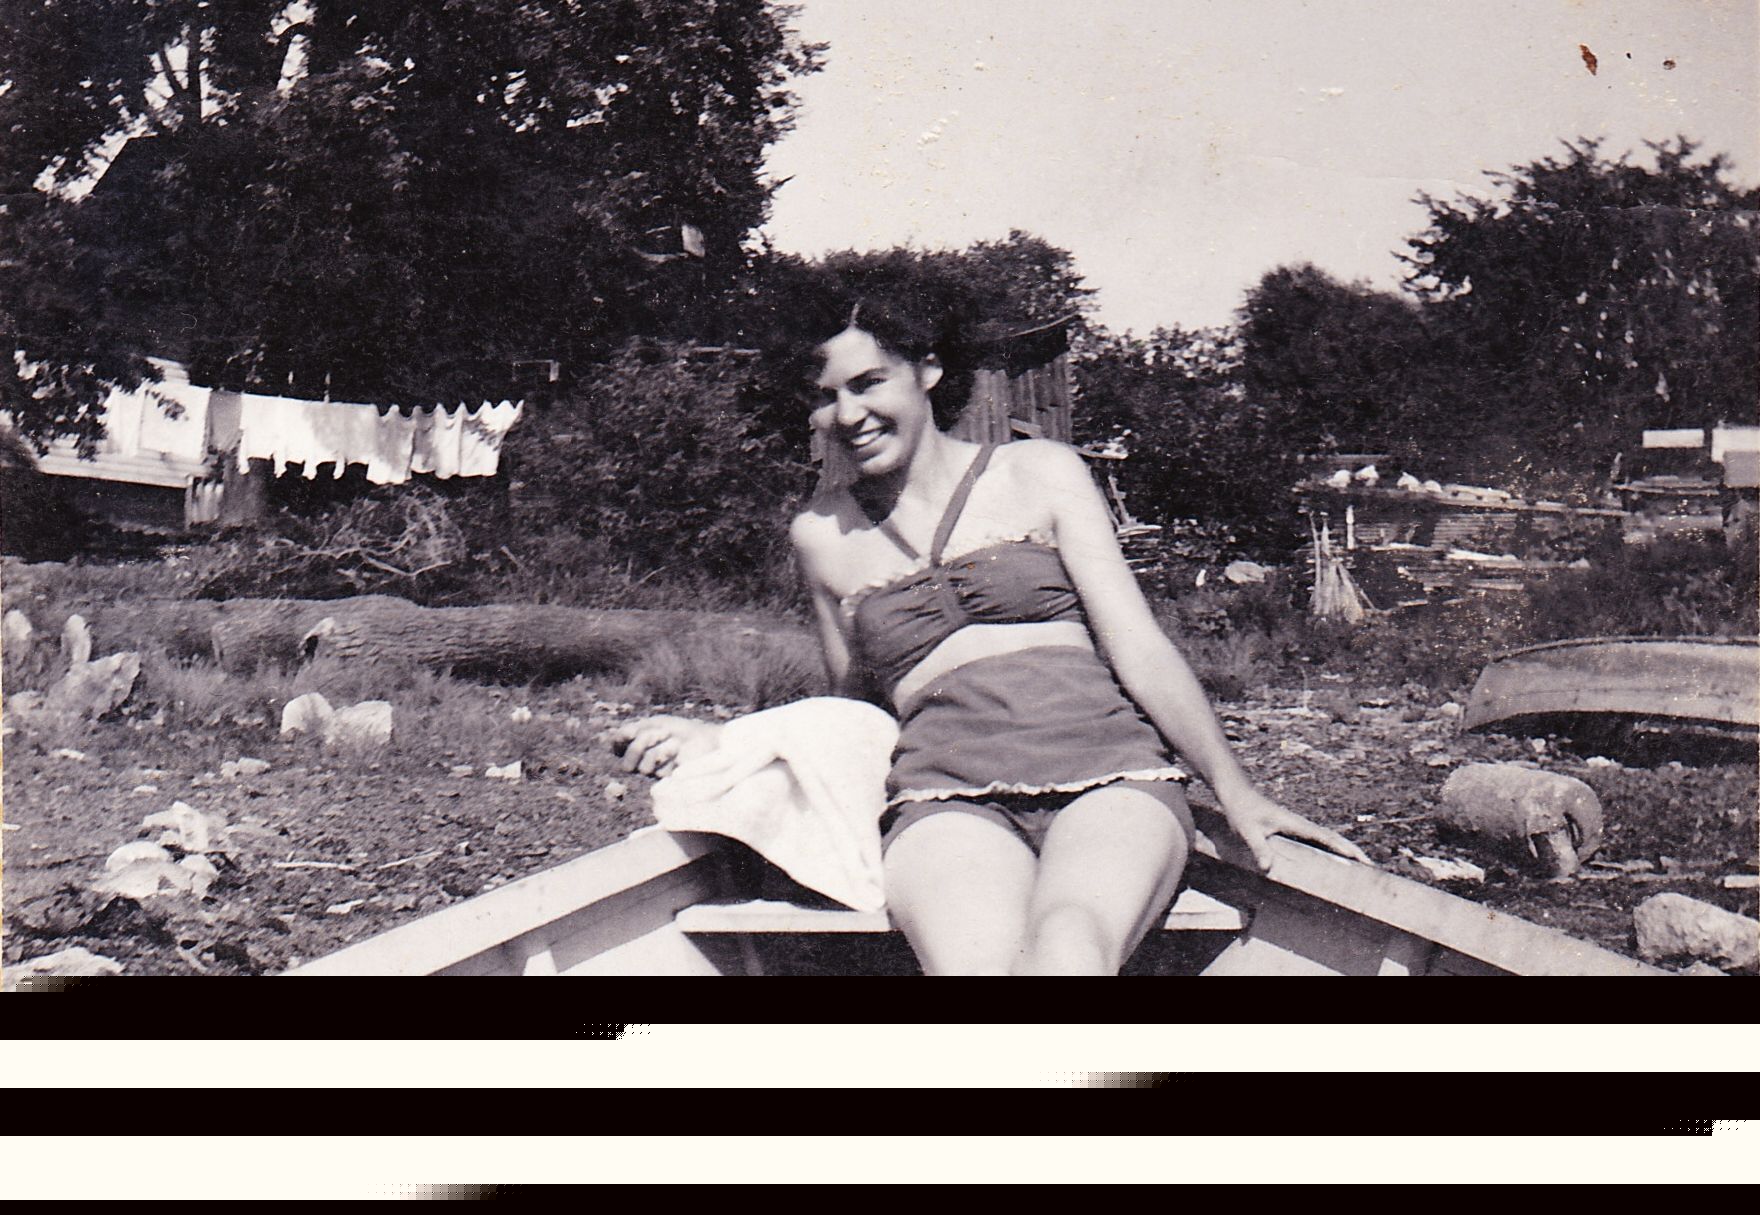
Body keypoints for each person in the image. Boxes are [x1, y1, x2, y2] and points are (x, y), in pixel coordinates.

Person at [614, 269, 1368, 975]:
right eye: (824, 395)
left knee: (1071, 946)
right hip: (942, 798)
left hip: (1108, 775)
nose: (847, 415)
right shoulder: (820, 534)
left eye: (869, 383)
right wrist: (730, 745)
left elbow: (1138, 646)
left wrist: (1236, 791)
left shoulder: (1039, 472)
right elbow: (854, 716)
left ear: (928, 370)